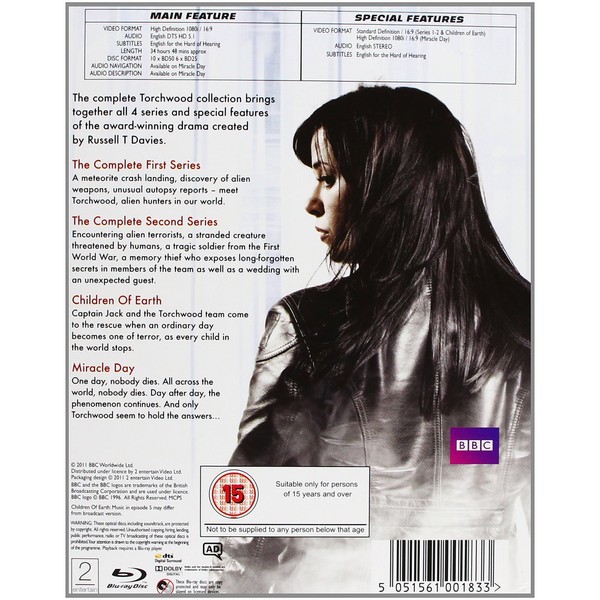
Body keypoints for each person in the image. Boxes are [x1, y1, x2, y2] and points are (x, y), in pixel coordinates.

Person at [220, 86, 531, 593]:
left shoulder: (309, 323)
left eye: (328, 178)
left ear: (386, 186)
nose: (312, 204)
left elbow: (246, 515)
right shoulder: (531, 325)